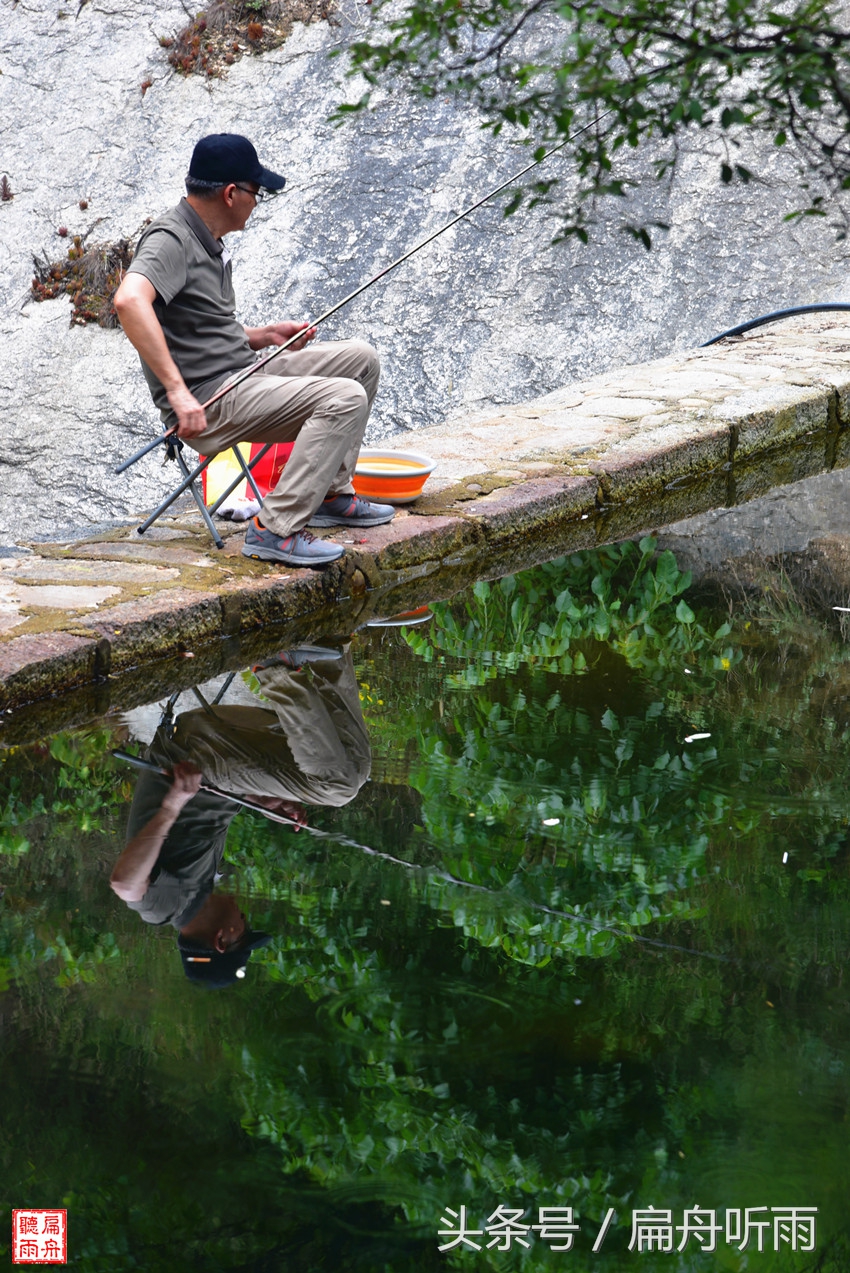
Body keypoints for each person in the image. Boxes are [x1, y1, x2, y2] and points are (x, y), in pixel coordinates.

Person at [113, 133, 395, 569]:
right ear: (231, 193)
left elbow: (200, 329)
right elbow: (129, 301)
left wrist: (263, 335)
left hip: (244, 373)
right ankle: (275, 529)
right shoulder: (170, 238)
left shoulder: (204, 238)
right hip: (211, 400)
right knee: (344, 398)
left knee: (362, 359)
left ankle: (330, 495)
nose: (257, 202)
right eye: (255, 192)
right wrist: (177, 391)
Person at [110, 645, 372, 987]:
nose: (245, 918)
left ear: (223, 939)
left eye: (244, 929)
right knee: (356, 769)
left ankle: (277, 666)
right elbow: (213, 806)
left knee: (337, 787)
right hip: (214, 758)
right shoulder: (202, 886)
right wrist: (266, 802)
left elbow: (124, 884)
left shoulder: (165, 908)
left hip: (198, 753)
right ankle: (329, 651)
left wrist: (171, 805)